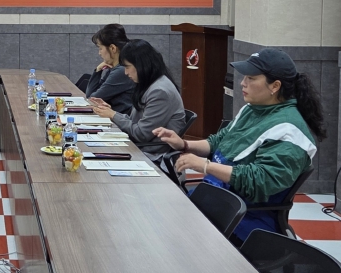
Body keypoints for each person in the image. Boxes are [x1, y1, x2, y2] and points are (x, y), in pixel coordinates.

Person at [154, 48, 323, 244]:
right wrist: (183, 143)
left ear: (275, 86)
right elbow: (219, 141)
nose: (243, 83)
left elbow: (260, 181)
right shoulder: (253, 109)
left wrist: (206, 166)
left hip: (243, 219)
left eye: (251, 78)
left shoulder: (289, 131)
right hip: (215, 199)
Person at [92, 39, 185, 144]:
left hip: (148, 151)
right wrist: (111, 112)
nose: (126, 73)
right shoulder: (150, 83)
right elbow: (135, 122)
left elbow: (142, 134)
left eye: (127, 67)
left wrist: (113, 115)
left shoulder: (159, 92)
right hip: (138, 145)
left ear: (141, 65)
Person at [85, 24, 135, 114]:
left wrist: (98, 71)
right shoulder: (114, 68)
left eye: (100, 48)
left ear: (112, 48)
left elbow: (92, 99)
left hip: (120, 120)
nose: (99, 53)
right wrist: (98, 70)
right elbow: (91, 96)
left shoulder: (121, 71)